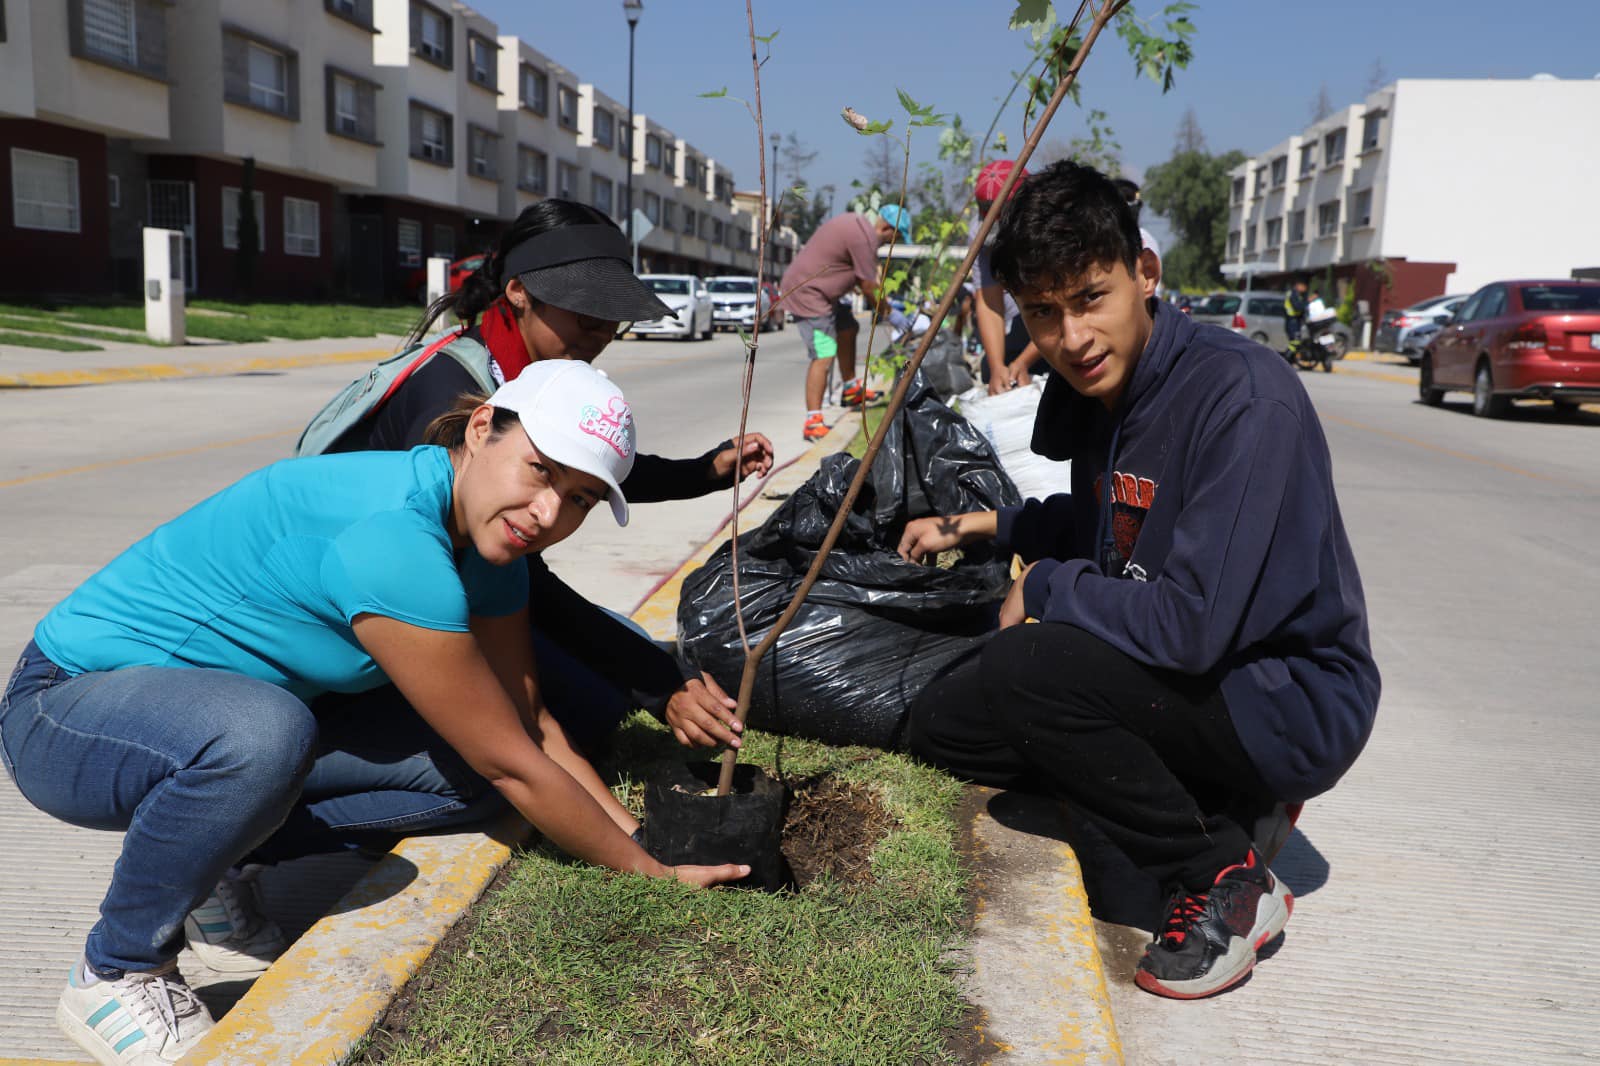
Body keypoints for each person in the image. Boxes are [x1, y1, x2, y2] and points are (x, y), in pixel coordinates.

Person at [0, 360, 751, 1064]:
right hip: (68, 710)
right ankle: (115, 970)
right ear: (483, 427)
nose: (549, 511)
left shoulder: (486, 542)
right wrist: (647, 875)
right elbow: (514, 758)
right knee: (267, 736)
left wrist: (641, 839)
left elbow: (528, 723)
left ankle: (216, 863)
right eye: (541, 470)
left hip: (209, 722)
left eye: (581, 497)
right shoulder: (393, 536)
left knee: (464, 777)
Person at [896, 161, 1379, 1000]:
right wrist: (985, 527)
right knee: (946, 723)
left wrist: (1045, 585)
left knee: (1027, 671)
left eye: (1090, 298)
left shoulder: (1241, 397)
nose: (1071, 337)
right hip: (1198, 671)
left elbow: (1190, 625)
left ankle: (1226, 877)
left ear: (1144, 276)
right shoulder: (1106, 391)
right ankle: (1205, 794)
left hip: (1288, 694)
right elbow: (1104, 525)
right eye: (1042, 313)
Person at [310, 200, 773, 755]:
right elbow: (526, 584)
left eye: (612, 318)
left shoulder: (512, 370)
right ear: (518, 291)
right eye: (584, 314)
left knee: (617, 657)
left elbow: (579, 469)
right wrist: (660, 685)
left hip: (459, 590)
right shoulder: (455, 397)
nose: (600, 333)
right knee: (588, 715)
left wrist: (704, 471)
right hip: (349, 627)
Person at [777, 203, 910, 441]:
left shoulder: (858, 228)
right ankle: (813, 421)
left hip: (822, 294)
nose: (892, 243)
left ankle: (850, 389)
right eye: (895, 237)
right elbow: (868, 285)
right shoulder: (864, 239)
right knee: (824, 353)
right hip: (809, 294)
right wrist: (891, 314)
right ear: (888, 229)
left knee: (848, 326)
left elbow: (861, 279)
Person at [970, 159, 1043, 395]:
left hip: (1059, 318)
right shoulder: (980, 233)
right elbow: (989, 301)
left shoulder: (1052, 229)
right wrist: (997, 367)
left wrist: (1024, 362)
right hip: (1025, 318)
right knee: (991, 371)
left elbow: (1062, 309)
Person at [1284, 278, 1310, 358]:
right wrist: (1307, 303)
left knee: (1296, 343)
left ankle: (1290, 360)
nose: (1305, 288)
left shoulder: (1297, 294)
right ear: (1298, 285)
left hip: (1294, 321)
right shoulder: (1293, 294)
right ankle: (1286, 359)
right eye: (1304, 286)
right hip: (1292, 321)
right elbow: (1297, 306)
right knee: (1295, 342)